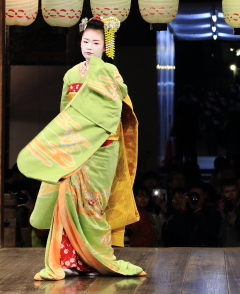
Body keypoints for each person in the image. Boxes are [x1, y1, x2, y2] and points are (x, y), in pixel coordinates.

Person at [17, 16, 146, 280]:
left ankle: (95, 259)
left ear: (104, 46)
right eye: (85, 41)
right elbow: (65, 112)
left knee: (93, 204)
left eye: (95, 42)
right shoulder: (71, 74)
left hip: (103, 146)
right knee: (66, 199)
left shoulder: (111, 72)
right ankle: (69, 260)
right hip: (75, 146)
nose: (89, 46)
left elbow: (116, 104)